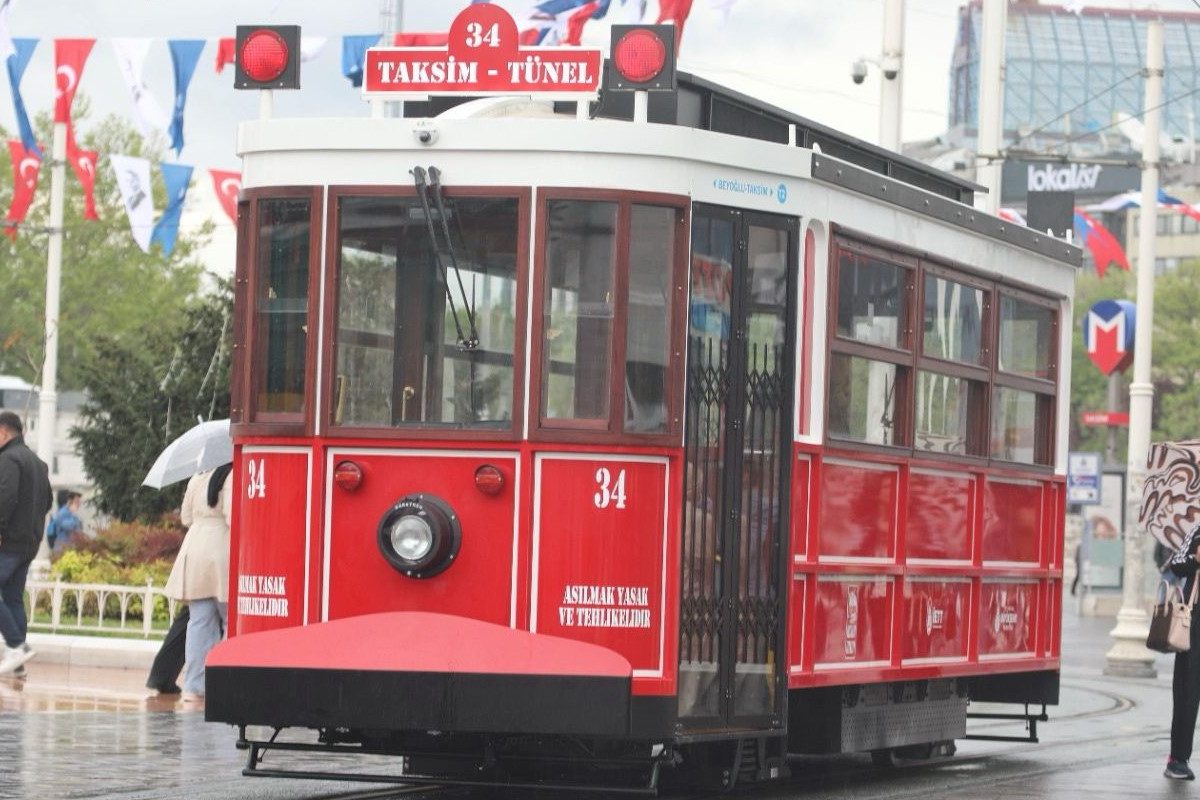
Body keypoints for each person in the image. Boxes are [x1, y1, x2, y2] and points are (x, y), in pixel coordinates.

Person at [163, 463, 232, 703]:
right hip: (222, 548)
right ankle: (223, 681)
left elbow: (185, 517)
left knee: (199, 623)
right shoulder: (231, 474)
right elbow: (232, 516)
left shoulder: (197, 477)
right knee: (231, 621)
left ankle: (193, 686)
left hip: (194, 549)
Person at [0, 411, 52, 676]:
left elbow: (5, 498)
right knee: (11, 597)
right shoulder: (39, 463)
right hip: (30, 542)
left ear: (4, 432)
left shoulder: (8, 459)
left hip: (8, 541)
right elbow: (48, 503)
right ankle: (17, 664)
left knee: (9, 596)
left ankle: (16, 646)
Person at [1166, 525, 1200, 779]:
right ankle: (1177, 758)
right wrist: (1195, 559)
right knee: (1188, 691)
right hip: (1194, 622)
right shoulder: (1197, 530)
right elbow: (1175, 564)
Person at [46, 490, 83, 555]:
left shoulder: (58, 514)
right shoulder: (63, 513)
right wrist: (76, 519)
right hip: (63, 548)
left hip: (62, 547)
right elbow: (68, 527)